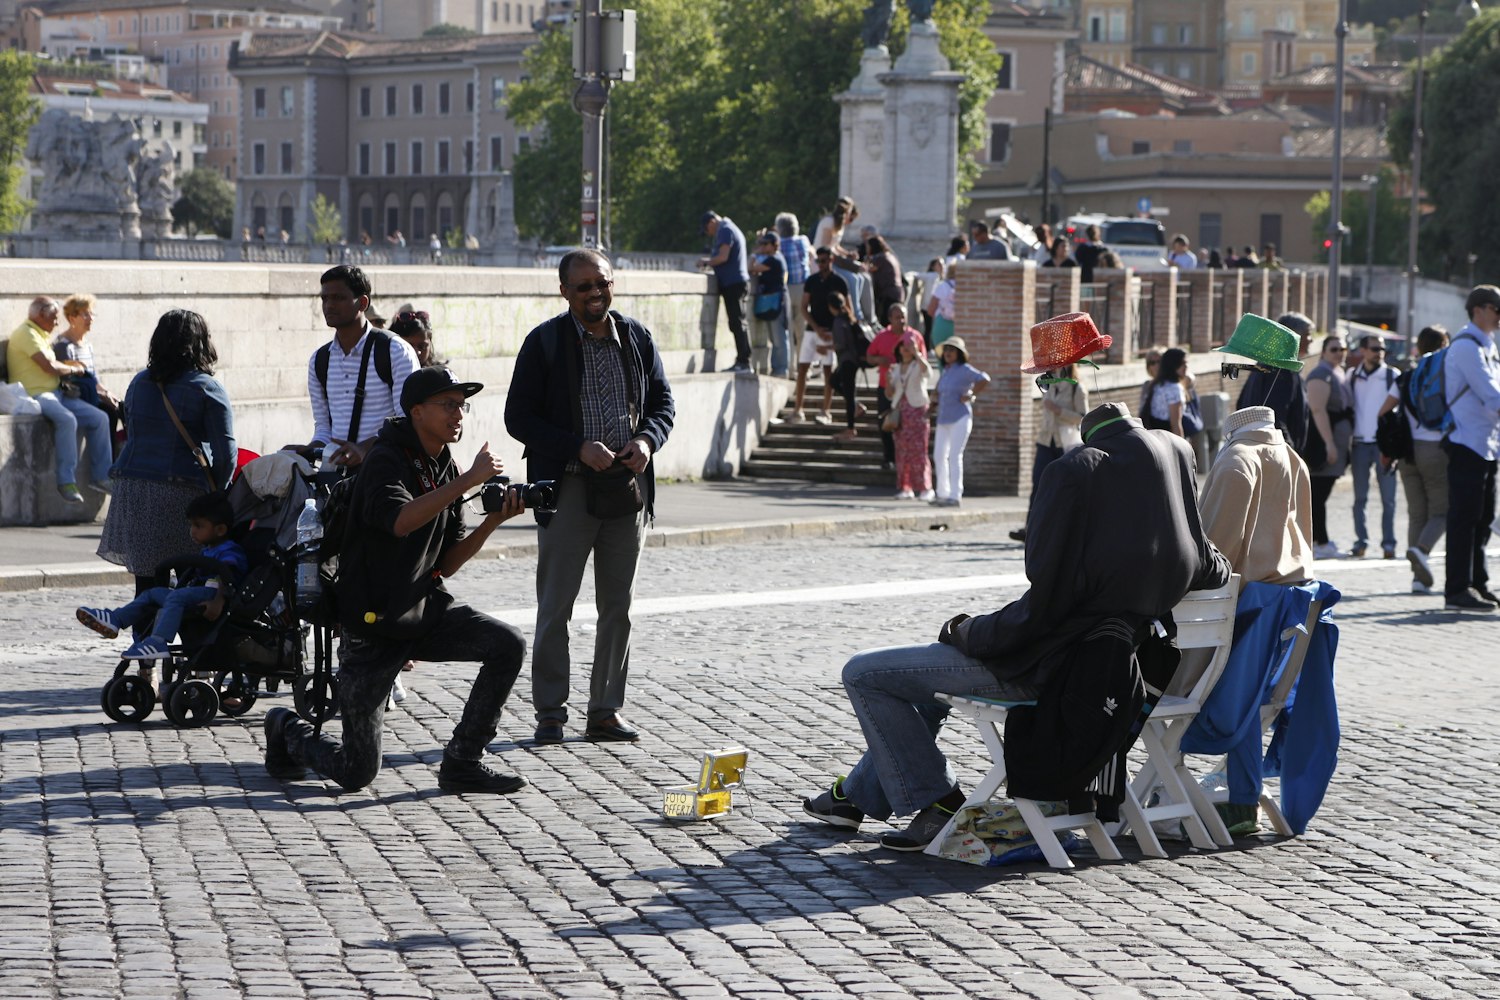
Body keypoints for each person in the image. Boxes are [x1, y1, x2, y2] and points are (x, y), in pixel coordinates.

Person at [801, 399, 1230, 850]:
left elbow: (1042, 611)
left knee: (864, 674)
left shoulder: (1072, 472)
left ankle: (937, 802)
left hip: (1060, 675)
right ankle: (854, 798)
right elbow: (1210, 566)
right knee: (920, 682)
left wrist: (968, 632)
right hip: (1122, 672)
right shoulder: (1176, 453)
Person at [263, 366, 532, 793]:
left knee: (508, 644)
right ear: (417, 411)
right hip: (372, 625)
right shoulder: (385, 461)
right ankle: (286, 729)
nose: (458, 415)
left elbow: (448, 562)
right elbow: (401, 521)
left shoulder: (444, 465)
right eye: (448, 405)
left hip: (422, 610)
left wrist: (493, 522)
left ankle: (463, 760)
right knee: (357, 771)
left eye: (461, 406)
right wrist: (468, 482)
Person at [504, 248, 676, 743]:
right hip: (569, 488)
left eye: (602, 282)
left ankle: (604, 710)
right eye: (583, 287)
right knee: (556, 605)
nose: (595, 292)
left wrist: (646, 440)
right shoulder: (544, 343)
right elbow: (519, 418)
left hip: (627, 490)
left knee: (618, 606)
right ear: (564, 292)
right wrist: (577, 446)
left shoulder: (637, 338)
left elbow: (663, 401)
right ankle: (550, 712)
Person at [97, 310, 237, 641]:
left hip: (132, 489)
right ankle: (189, 666)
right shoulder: (207, 389)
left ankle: (146, 670)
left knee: (147, 582)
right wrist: (219, 496)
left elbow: (132, 430)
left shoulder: (139, 382)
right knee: (192, 582)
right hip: (181, 493)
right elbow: (226, 453)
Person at [78, 490, 248, 663]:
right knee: (152, 594)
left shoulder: (229, 550)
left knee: (177, 596)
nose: (192, 531)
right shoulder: (208, 549)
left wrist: (218, 602)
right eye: (191, 525)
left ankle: (159, 641)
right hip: (198, 592)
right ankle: (116, 619)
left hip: (215, 594)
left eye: (198, 526)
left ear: (220, 530)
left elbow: (228, 575)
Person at [291, 265, 419, 471]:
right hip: (338, 477)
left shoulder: (394, 350)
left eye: (338, 298)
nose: (329, 306)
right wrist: (309, 450)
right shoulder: (320, 360)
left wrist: (365, 448)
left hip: (389, 471)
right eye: (325, 298)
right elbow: (324, 428)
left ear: (362, 303)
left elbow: (410, 420)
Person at [6, 297, 112, 503]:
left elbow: (54, 365)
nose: (57, 323)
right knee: (67, 419)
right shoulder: (26, 334)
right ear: (39, 315)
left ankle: (102, 476)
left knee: (100, 418)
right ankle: (66, 481)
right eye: (54, 318)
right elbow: (49, 366)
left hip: (56, 393)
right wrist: (75, 369)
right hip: (34, 394)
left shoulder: (41, 334)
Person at [1199, 405, 1314, 587]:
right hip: (1297, 578)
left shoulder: (1237, 459)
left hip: (1249, 588)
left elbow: (1221, 535)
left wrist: (1198, 577)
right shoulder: (1293, 457)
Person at [1441, 285, 1500, 612]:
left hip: (1485, 444)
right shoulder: (1467, 347)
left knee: (1482, 517)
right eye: (1496, 310)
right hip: (1467, 443)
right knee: (1464, 517)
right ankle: (1456, 589)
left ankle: (1477, 582)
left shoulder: (1486, 345)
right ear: (1479, 309)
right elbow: (1493, 396)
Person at [1378, 325, 1449, 594]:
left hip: (1407, 452)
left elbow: (1383, 411)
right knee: (1443, 510)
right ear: (1443, 346)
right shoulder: (1444, 376)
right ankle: (1421, 550)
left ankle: (1418, 579)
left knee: (1416, 513)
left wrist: (1388, 445)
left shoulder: (1405, 377)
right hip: (1435, 449)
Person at [1347, 333, 1400, 559]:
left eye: (1382, 349)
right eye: (1375, 348)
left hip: (1384, 447)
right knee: (1360, 498)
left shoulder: (1392, 375)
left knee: (1388, 499)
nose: (1380, 352)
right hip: (1359, 445)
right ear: (1363, 351)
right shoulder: (1351, 376)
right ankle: (1361, 542)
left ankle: (1388, 544)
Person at [52, 293, 123, 455]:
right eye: (85, 314)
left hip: (91, 392)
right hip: (77, 395)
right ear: (72, 318)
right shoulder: (63, 346)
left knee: (117, 408)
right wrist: (102, 395)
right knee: (108, 413)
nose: (90, 318)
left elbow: (93, 378)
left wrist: (107, 393)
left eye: (91, 314)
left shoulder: (87, 346)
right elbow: (72, 381)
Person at [1305, 335, 1355, 560]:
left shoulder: (1338, 372)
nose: (1339, 353)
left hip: (1338, 444)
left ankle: (1319, 540)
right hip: (1323, 446)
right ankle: (1319, 542)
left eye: (1342, 349)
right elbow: (1317, 410)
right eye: (1334, 349)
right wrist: (1329, 444)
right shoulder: (1320, 374)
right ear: (1323, 351)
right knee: (1317, 495)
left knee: (1319, 495)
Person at [1234, 312, 1311, 452]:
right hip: (1273, 453)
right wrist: (1288, 455)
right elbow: (1274, 416)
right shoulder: (1279, 369)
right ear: (1293, 337)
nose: (1311, 340)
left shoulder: (1268, 363)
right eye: (1308, 334)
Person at [930, 338, 989, 507]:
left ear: (959, 353)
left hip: (960, 418)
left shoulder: (964, 369)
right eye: (946, 349)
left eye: (952, 350)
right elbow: (938, 391)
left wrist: (971, 394)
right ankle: (942, 493)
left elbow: (984, 378)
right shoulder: (946, 371)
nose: (948, 353)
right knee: (939, 456)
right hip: (943, 418)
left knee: (955, 456)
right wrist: (931, 405)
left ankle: (955, 495)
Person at [866, 304, 924, 471]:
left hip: (910, 390)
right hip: (887, 386)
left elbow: (924, 363)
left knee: (907, 425)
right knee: (885, 422)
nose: (901, 320)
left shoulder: (915, 336)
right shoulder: (882, 336)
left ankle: (907, 460)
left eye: (903, 316)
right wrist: (879, 360)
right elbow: (869, 356)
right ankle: (889, 457)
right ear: (890, 319)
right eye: (897, 317)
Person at [794, 246, 848, 424]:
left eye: (824, 261)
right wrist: (816, 327)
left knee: (828, 372)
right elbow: (804, 307)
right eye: (818, 261)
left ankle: (826, 411)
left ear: (831, 260)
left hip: (831, 331)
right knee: (802, 368)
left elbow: (846, 308)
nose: (821, 264)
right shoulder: (812, 281)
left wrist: (838, 330)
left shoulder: (839, 282)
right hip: (813, 330)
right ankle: (797, 409)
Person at [699, 210, 753, 375]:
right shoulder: (729, 228)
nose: (708, 233)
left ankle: (744, 361)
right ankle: (743, 360)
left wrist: (706, 262)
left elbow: (723, 256)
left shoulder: (725, 230)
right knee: (737, 323)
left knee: (738, 323)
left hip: (733, 284)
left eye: (706, 229)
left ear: (712, 222)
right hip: (735, 282)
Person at [887, 331, 933, 501]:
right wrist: (888, 385)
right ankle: (906, 487)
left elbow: (928, 373)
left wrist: (917, 353)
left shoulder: (918, 364)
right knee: (902, 451)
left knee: (919, 450)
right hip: (900, 412)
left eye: (909, 346)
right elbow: (890, 393)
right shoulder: (896, 368)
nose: (906, 349)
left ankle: (925, 487)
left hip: (918, 410)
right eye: (903, 346)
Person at [776, 212, 814, 378]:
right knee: (802, 330)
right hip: (804, 288)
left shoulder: (778, 243)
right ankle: (804, 367)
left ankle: (790, 368)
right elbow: (811, 255)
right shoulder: (803, 241)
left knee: (788, 330)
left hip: (786, 288)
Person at [747, 231, 789, 376]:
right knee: (775, 337)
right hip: (774, 300)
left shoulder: (774, 260)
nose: (762, 246)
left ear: (774, 245)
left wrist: (754, 254)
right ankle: (778, 367)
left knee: (778, 337)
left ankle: (781, 368)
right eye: (761, 244)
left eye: (765, 244)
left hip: (776, 301)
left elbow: (751, 268)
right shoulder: (774, 258)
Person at [828, 291, 865, 444]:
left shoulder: (838, 321)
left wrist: (827, 348)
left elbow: (841, 344)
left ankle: (850, 428)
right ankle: (857, 406)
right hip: (852, 359)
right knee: (834, 381)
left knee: (849, 393)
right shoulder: (849, 318)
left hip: (847, 360)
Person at [1144, 347, 1191, 437]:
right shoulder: (1174, 388)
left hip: (1154, 436)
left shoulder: (1158, 384)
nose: (1186, 367)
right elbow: (1176, 424)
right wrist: (1181, 449)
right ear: (1173, 365)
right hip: (1167, 438)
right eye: (1182, 363)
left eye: (1186, 363)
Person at [863, 236, 904, 331]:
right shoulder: (889, 255)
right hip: (897, 293)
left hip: (889, 294)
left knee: (888, 324)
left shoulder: (879, 258)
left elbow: (867, 269)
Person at [925, 262, 957, 352]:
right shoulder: (966, 286)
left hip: (942, 324)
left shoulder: (942, 286)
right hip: (960, 325)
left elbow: (930, 310)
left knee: (941, 356)